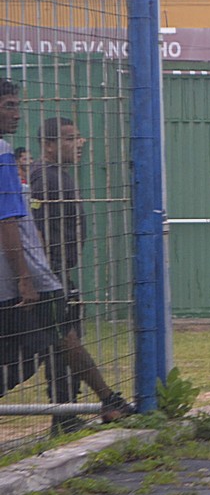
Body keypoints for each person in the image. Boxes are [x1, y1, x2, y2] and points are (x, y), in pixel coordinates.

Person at [29, 116, 134, 426]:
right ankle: (103, 401)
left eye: (78, 137)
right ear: (48, 146)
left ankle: (67, 415)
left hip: (57, 273)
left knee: (60, 346)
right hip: (50, 275)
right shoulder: (46, 178)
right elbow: (35, 228)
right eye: (69, 138)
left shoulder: (56, 175)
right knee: (63, 342)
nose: (79, 144)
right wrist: (47, 272)